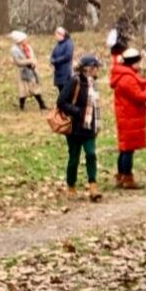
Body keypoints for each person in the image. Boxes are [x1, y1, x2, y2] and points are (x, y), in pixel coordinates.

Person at [109, 47, 146, 189]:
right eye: (138, 62)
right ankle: (127, 178)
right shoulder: (127, 78)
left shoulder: (124, 74)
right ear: (133, 63)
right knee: (128, 149)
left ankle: (120, 175)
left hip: (125, 116)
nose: (140, 65)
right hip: (129, 116)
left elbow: (139, 84)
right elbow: (140, 96)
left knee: (124, 148)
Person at [58, 53, 103, 201]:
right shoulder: (74, 81)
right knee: (74, 158)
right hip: (75, 128)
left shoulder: (94, 83)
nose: (98, 70)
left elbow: (96, 107)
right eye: (96, 67)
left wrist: (97, 125)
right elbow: (61, 102)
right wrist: (78, 112)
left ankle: (93, 185)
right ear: (88, 68)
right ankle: (71, 185)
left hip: (89, 126)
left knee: (91, 154)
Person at [9, 31, 46, 111]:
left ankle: (42, 104)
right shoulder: (14, 50)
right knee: (23, 90)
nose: (26, 40)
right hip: (22, 71)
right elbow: (18, 62)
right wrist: (29, 61)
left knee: (35, 87)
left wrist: (34, 63)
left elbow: (33, 57)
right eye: (24, 39)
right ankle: (21, 106)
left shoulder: (28, 47)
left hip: (31, 70)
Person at [51, 27, 74, 94]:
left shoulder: (68, 43)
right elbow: (53, 54)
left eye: (56, 35)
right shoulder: (57, 45)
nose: (56, 37)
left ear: (61, 35)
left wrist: (56, 61)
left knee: (66, 90)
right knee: (61, 90)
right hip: (58, 71)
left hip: (66, 70)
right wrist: (52, 60)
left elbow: (68, 56)